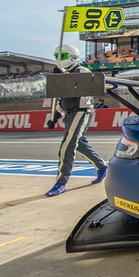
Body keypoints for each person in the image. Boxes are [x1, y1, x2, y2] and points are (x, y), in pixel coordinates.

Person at [45, 44, 107, 197]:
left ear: (72, 56)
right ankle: (101, 166)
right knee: (78, 144)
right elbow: (60, 99)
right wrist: (55, 116)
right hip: (69, 113)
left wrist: (63, 79)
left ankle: (61, 182)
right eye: (57, 57)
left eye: (62, 56)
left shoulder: (83, 72)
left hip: (81, 112)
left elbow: (83, 93)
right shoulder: (65, 74)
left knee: (68, 145)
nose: (59, 59)